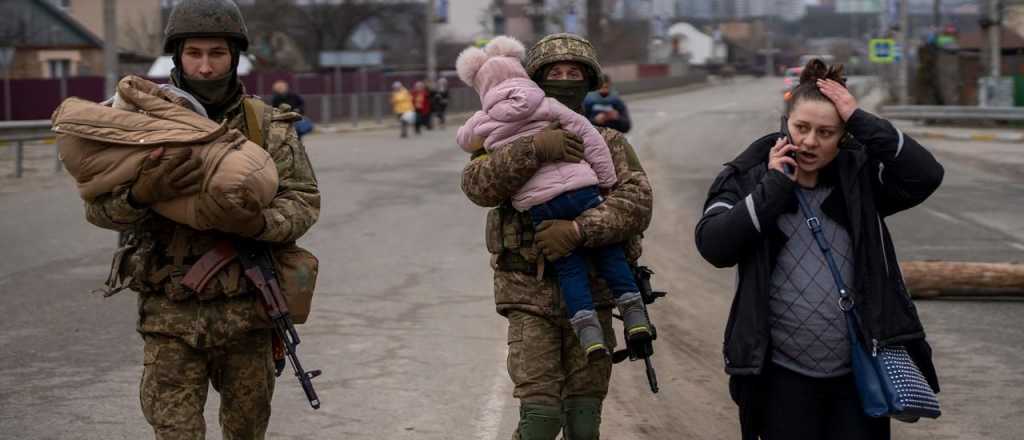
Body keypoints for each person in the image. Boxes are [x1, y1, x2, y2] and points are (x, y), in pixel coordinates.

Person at [82, 0, 320, 438]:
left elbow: (303, 201)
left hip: (247, 314)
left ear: (234, 57)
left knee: (246, 430)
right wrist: (140, 195)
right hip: (170, 315)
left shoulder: (267, 126)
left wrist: (258, 224)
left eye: (217, 53)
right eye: (194, 53)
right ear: (178, 56)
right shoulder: (137, 119)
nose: (206, 67)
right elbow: (99, 210)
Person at [694, 59, 943, 440]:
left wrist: (859, 118)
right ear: (785, 125)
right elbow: (714, 245)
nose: (810, 141)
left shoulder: (859, 178)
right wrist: (774, 186)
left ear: (843, 136)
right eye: (801, 128)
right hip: (779, 375)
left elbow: (925, 175)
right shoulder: (747, 176)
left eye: (826, 132)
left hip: (858, 373)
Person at [461, 33, 653, 440]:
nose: (564, 81)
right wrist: (534, 148)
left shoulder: (608, 141)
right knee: (541, 421)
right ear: (533, 80)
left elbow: (636, 203)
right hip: (529, 294)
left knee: (584, 422)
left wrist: (580, 230)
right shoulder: (501, 134)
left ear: (589, 82)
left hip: (596, 291)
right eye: (554, 73)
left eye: (573, 74)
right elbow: (478, 186)